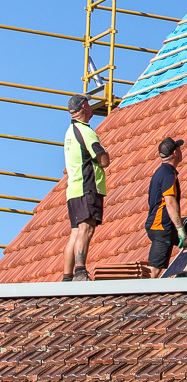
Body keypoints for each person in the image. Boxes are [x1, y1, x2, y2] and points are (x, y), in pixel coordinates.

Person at [62, 94, 110, 282]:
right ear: (83, 108)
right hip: (87, 186)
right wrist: (104, 155)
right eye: (88, 103)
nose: (91, 107)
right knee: (86, 228)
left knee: (75, 231)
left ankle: (67, 277)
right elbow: (103, 159)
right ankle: (80, 272)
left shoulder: (69, 132)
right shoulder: (85, 131)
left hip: (73, 189)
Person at [145, 136, 187, 278]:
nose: (181, 151)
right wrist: (180, 230)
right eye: (179, 149)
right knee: (154, 270)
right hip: (161, 227)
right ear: (175, 153)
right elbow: (169, 203)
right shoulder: (168, 174)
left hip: (161, 225)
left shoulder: (160, 172)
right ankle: (142, 296)